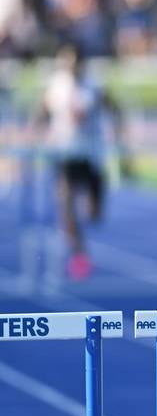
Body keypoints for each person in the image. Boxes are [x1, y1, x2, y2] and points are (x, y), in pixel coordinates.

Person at [32, 43, 125, 280]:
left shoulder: (94, 85)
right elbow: (41, 113)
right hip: (65, 154)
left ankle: (83, 226)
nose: (71, 67)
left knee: (94, 213)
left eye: (74, 62)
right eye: (66, 62)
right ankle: (79, 251)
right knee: (64, 201)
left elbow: (114, 109)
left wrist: (119, 139)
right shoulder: (56, 86)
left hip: (91, 155)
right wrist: (35, 138)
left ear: (81, 63)